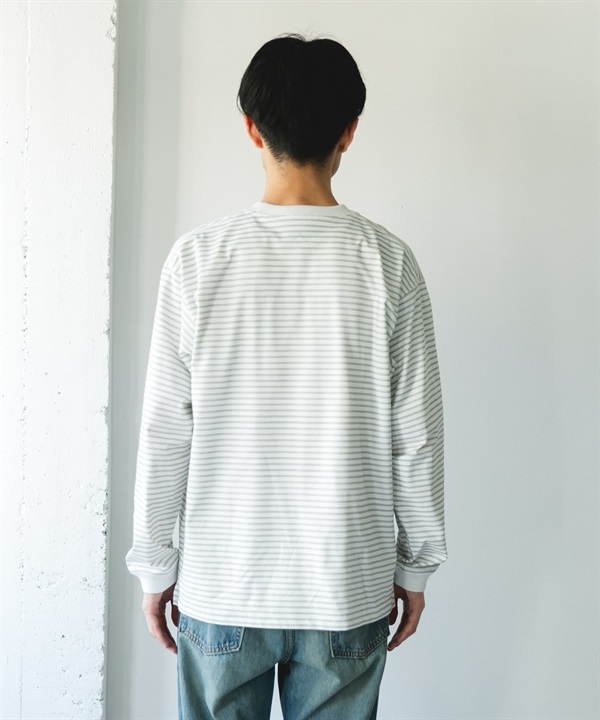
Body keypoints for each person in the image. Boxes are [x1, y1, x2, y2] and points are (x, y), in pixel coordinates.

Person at [126, 31, 448, 720]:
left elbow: (165, 431)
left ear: (251, 128)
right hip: (347, 589)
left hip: (223, 587)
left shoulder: (196, 260)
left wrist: (155, 565)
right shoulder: (389, 263)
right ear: (349, 131)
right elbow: (416, 437)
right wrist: (415, 566)